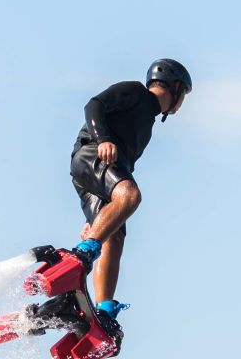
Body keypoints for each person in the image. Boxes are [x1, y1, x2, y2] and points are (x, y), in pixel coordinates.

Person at [70, 58, 192, 335]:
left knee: (115, 235)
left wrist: (97, 221)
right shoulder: (137, 93)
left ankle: (103, 310)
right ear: (176, 87)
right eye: (183, 95)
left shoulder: (146, 124)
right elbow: (94, 105)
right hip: (92, 154)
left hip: (105, 172)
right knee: (131, 196)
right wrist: (103, 139)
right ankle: (83, 254)